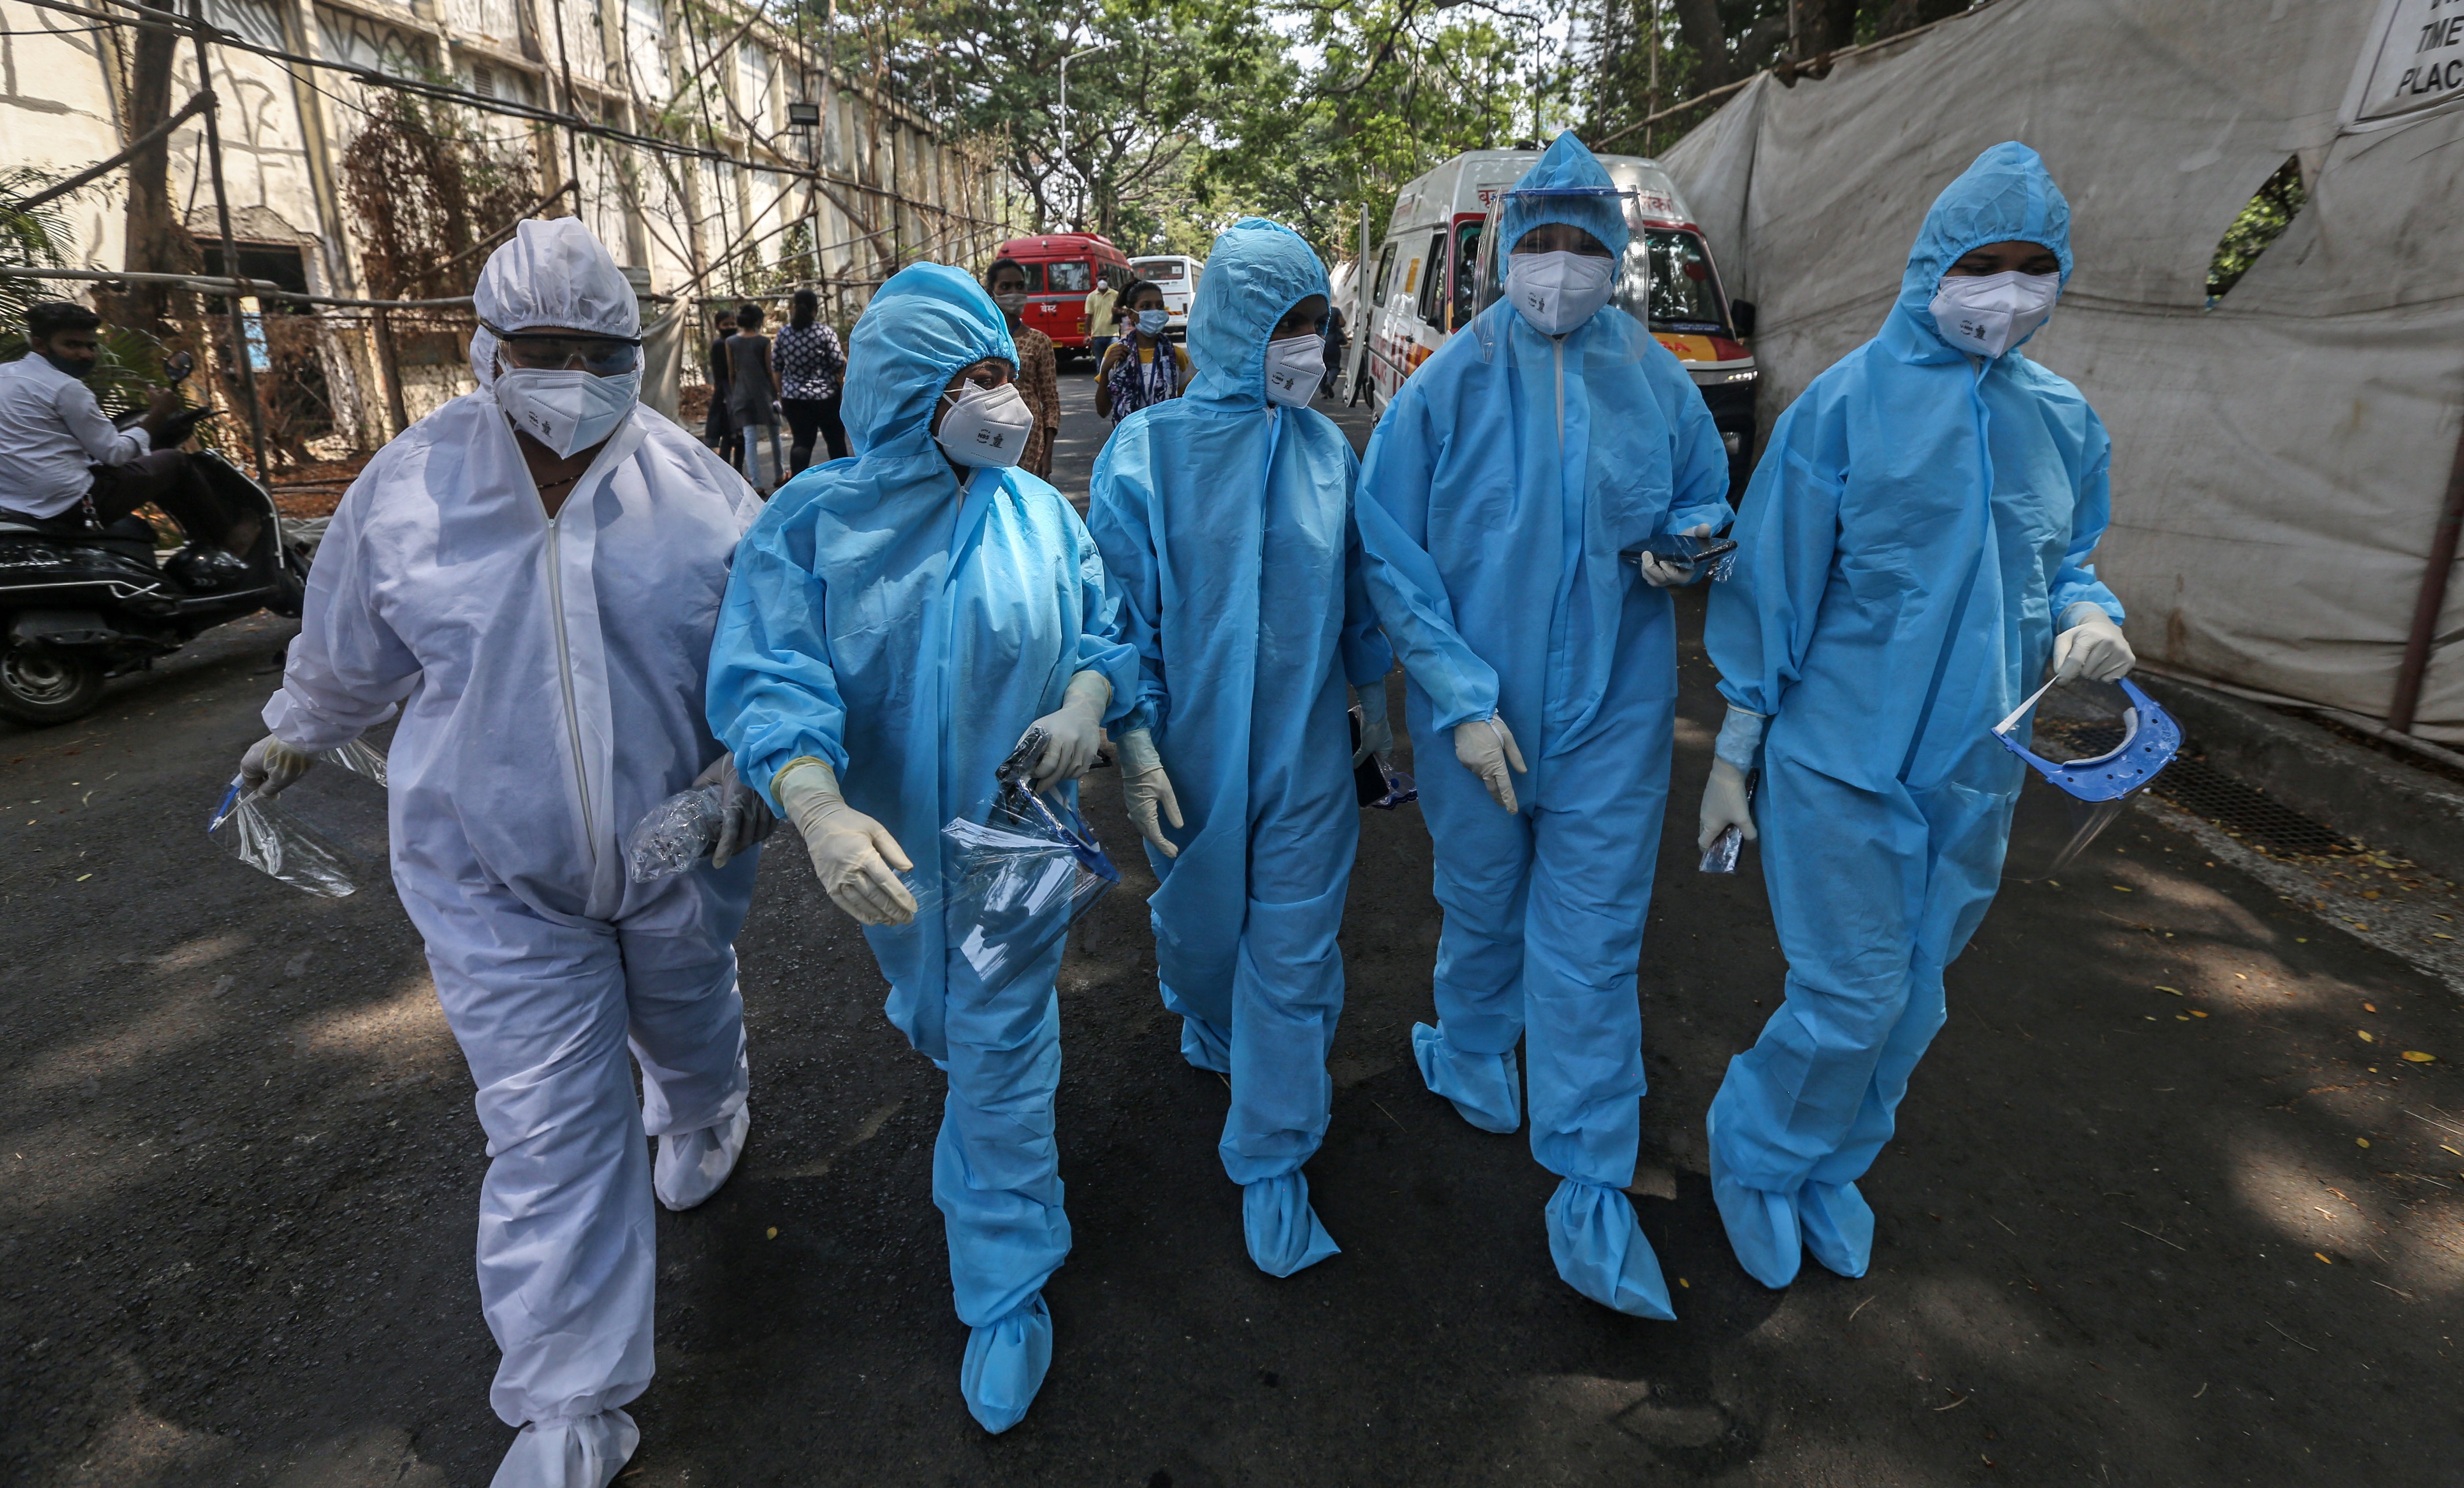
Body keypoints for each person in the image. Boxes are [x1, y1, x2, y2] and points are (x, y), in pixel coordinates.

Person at [233, 218, 775, 1488]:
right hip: (489, 875)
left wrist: (743, 782)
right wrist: (295, 733)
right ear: (487, 351)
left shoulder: (704, 496)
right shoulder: (410, 490)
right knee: (547, 1125)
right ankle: (570, 1399)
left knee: (686, 1012)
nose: (575, 377)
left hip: (675, 847)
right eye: (547, 348)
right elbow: (347, 649)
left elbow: (776, 668)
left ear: (644, 351)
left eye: (605, 351)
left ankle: (705, 1100)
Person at [1692, 142, 2134, 1291]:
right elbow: (1771, 591)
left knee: (1915, 1002)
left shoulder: (2064, 425)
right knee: (1846, 998)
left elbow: (2067, 561)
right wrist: (1734, 751)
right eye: (1978, 262)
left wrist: (2088, 619)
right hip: (1839, 766)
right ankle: (1754, 1157)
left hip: (1975, 771)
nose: (2002, 289)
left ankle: (1833, 1164)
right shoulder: (1843, 409)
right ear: (1930, 263)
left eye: (2029, 266)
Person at [705, 263, 1137, 1435]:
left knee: (1001, 1052)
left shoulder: (1038, 513)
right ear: (911, 390)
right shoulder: (814, 521)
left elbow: (1103, 624)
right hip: (891, 854)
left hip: (1018, 844)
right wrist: (816, 804)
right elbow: (766, 672)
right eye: (980, 377)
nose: (1008, 400)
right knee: (939, 1020)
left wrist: (1091, 706)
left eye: (1009, 373)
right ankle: (978, 1134)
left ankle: (1004, 1282)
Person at [1355, 131, 1732, 1319]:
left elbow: (1701, 493)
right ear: (1505, 252)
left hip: (1616, 713)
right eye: (1540, 244)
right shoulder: (1446, 386)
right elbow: (1390, 552)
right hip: (1480, 711)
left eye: (1581, 246)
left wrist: (1692, 547)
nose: (1559, 269)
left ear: (1613, 255)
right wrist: (1458, 701)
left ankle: (1587, 1173)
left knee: (1590, 942)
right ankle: (1470, 1045)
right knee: (1479, 900)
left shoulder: (1655, 378)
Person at [1086, 218, 1393, 1277]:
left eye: (1316, 323)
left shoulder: (1326, 455)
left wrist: (1373, 705)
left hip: (1306, 757)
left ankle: (1271, 1150)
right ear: (1231, 325)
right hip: (1189, 753)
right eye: (1285, 324)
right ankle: (1208, 1014)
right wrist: (1133, 736)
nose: (1305, 346)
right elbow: (1118, 615)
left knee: (1295, 954)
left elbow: (1360, 594)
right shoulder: (1147, 452)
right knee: (1205, 936)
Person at [0, 301, 256, 568]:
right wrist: (158, 413)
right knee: (174, 461)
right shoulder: (66, 388)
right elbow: (115, 454)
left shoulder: (5, 375)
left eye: (91, 346)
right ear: (41, 345)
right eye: (72, 345)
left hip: (16, 503)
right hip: (70, 505)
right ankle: (229, 539)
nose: (86, 355)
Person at [986, 258, 1060, 479]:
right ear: (992, 292)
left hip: (1030, 440)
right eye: (1006, 287)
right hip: (990, 434)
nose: (1014, 292)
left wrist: (1047, 453)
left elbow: (1050, 400)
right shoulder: (982, 340)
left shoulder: (1039, 341)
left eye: (1020, 286)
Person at [1093, 280, 1190, 423]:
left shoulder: (1175, 355)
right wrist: (1105, 371)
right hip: (1128, 440)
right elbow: (1103, 411)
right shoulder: (1117, 354)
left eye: (1159, 306)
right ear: (1131, 314)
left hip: (1165, 440)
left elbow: (1186, 405)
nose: (1155, 312)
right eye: (1146, 306)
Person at [774, 288, 848, 473]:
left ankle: (797, 486)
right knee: (836, 442)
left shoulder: (784, 334)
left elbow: (777, 368)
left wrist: (781, 393)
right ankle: (843, 482)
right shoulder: (825, 333)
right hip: (826, 397)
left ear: (793, 308)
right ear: (816, 309)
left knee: (801, 443)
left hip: (794, 399)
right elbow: (839, 363)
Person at [725, 302, 784, 491]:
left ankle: (757, 484)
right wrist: (777, 393)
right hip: (764, 393)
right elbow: (770, 370)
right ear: (759, 321)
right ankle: (780, 474)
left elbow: (732, 372)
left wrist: (736, 392)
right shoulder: (764, 342)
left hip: (742, 393)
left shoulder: (731, 342)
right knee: (775, 434)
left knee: (750, 439)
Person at [703, 309, 737, 464]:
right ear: (718, 326)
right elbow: (721, 374)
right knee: (729, 436)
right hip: (726, 395)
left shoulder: (737, 342)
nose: (730, 327)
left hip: (736, 393)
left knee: (737, 438)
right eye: (726, 325)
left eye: (733, 324)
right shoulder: (719, 345)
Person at [1082, 273, 1119, 367]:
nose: (1102, 282)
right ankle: (1102, 382)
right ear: (1096, 281)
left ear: (1108, 280)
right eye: (1100, 279)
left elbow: (1125, 312)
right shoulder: (1091, 296)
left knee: (1113, 364)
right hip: (1097, 336)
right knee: (1101, 365)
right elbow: (1089, 317)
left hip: (1113, 335)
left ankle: (1113, 382)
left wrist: (1118, 311)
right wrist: (1087, 335)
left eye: (1105, 279)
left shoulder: (1115, 295)